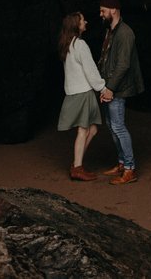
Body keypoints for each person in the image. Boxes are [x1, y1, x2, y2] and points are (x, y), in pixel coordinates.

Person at [97, 0, 145, 185]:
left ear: (113, 9)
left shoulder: (125, 33)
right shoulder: (112, 30)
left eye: (103, 10)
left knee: (118, 127)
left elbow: (123, 65)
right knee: (111, 125)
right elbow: (107, 61)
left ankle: (129, 169)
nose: (100, 14)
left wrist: (109, 88)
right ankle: (121, 162)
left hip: (117, 88)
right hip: (109, 86)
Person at [57, 11, 111, 181]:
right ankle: (78, 168)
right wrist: (103, 88)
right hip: (82, 92)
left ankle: (76, 164)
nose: (85, 22)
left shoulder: (67, 44)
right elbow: (91, 71)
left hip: (74, 92)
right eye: (82, 20)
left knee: (92, 129)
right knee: (84, 130)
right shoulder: (80, 45)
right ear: (76, 25)